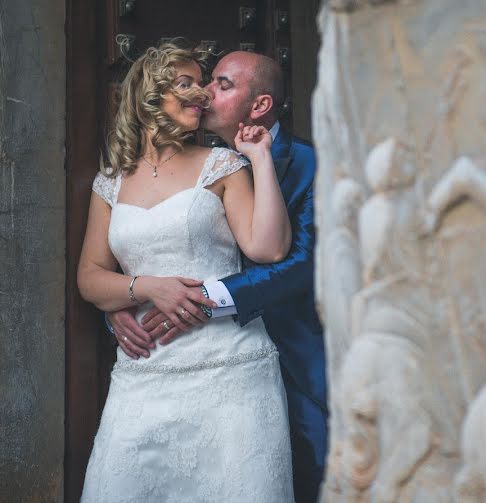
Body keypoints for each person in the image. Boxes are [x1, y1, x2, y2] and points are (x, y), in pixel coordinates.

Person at [106, 50, 328, 501]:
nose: (203, 92)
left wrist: (201, 298)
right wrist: (123, 306)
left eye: (222, 85)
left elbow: (299, 264)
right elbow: (146, 246)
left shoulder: (307, 163)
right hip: (166, 361)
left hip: (291, 358)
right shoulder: (189, 160)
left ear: (260, 106)